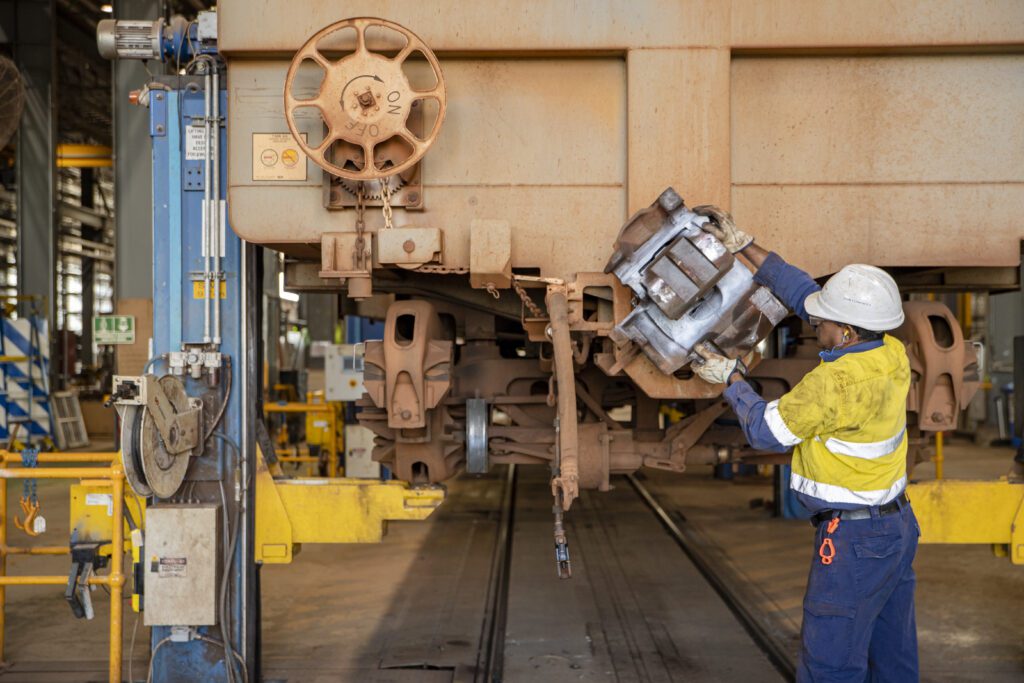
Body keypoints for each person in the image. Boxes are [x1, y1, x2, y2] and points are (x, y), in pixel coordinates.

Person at [690, 206, 920, 683]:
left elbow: (765, 431)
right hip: (896, 531)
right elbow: (803, 294)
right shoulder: (890, 351)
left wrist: (729, 378)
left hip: (855, 544)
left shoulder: (833, 383)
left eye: (825, 323)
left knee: (830, 666)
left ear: (848, 333)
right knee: (892, 660)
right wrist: (744, 245)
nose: (816, 323)